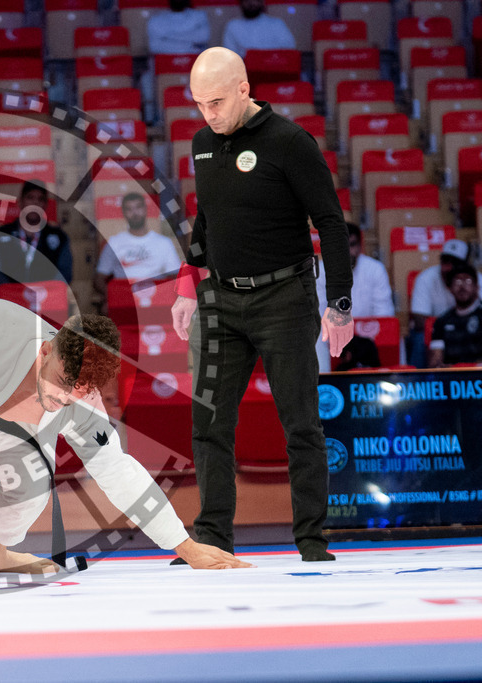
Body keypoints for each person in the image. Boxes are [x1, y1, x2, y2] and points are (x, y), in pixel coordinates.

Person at [0, 298, 252, 573]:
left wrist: (184, 545)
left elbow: (116, 469)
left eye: (76, 393)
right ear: (45, 352)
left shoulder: (81, 398)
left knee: (35, 478)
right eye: (60, 382)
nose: (61, 398)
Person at [171, 47, 353, 563]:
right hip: (221, 301)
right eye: (200, 104)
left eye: (218, 102)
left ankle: (313, 542)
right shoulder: (203, 143)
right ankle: (212, 538)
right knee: (209, 424)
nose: (209, 114)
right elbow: (207, 219)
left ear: (245, 90)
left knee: (300, 422)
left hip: (285, 298)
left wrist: (338, 302)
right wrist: (189, 279)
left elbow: (332, 224)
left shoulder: (290, 142)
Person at [314, 222, 394, 372]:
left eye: (352, 245)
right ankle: (323, 383)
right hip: (330, 337)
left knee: (389, 331)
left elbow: (384, 315)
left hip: (368, 336)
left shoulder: (375, 269)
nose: (348, 252)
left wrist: (358, 340)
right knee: (315, 334)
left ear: (360, 246)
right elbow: (319, 314)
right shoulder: (321, 270)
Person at [94, 191, 182, 312]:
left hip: (158, 300)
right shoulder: (114, 243)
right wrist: (112, 296)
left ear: (145, 209)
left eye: (138, 207)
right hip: (124, 299)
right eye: (129, 209)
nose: (135, 213)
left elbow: (176, 277)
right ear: (123, 213)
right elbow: (99, 278)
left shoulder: (164, 243)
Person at [0, 181, 74, 292]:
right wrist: (14, 294)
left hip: (48, 302)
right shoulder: (1, 234)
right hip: (11, 302)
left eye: (40, 199)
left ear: (46, 205)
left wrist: (46, 292)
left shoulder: (59, 236)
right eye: (30, 197)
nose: (35, 203)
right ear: (20, 202)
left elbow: (65, 272)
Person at [407, 239, 482, 367]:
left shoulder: (477, 277)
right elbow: (419, 320)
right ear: (450, 288)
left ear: (476, 287)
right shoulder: (426, 278)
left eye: (454, 262)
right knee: (421, 337)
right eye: (445, 261)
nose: (448, 267)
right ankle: (416, 381)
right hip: (441, 330)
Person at [428, 265, 482, 367]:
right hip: (452, 378)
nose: (462, 286)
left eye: (467, 281)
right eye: (457, 281)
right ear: (450, 288)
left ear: (476, 287)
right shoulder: (442, 321)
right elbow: (435, 363)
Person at [221, 0, 296, 58]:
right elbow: (231, 57)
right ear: (241, 3)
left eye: (255, 0)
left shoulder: (277, 23)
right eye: (247, 0)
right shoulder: (233, 25)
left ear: (262, 2)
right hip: (245, 74)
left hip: (275, 71)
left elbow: (290, 51)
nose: (251, 3)